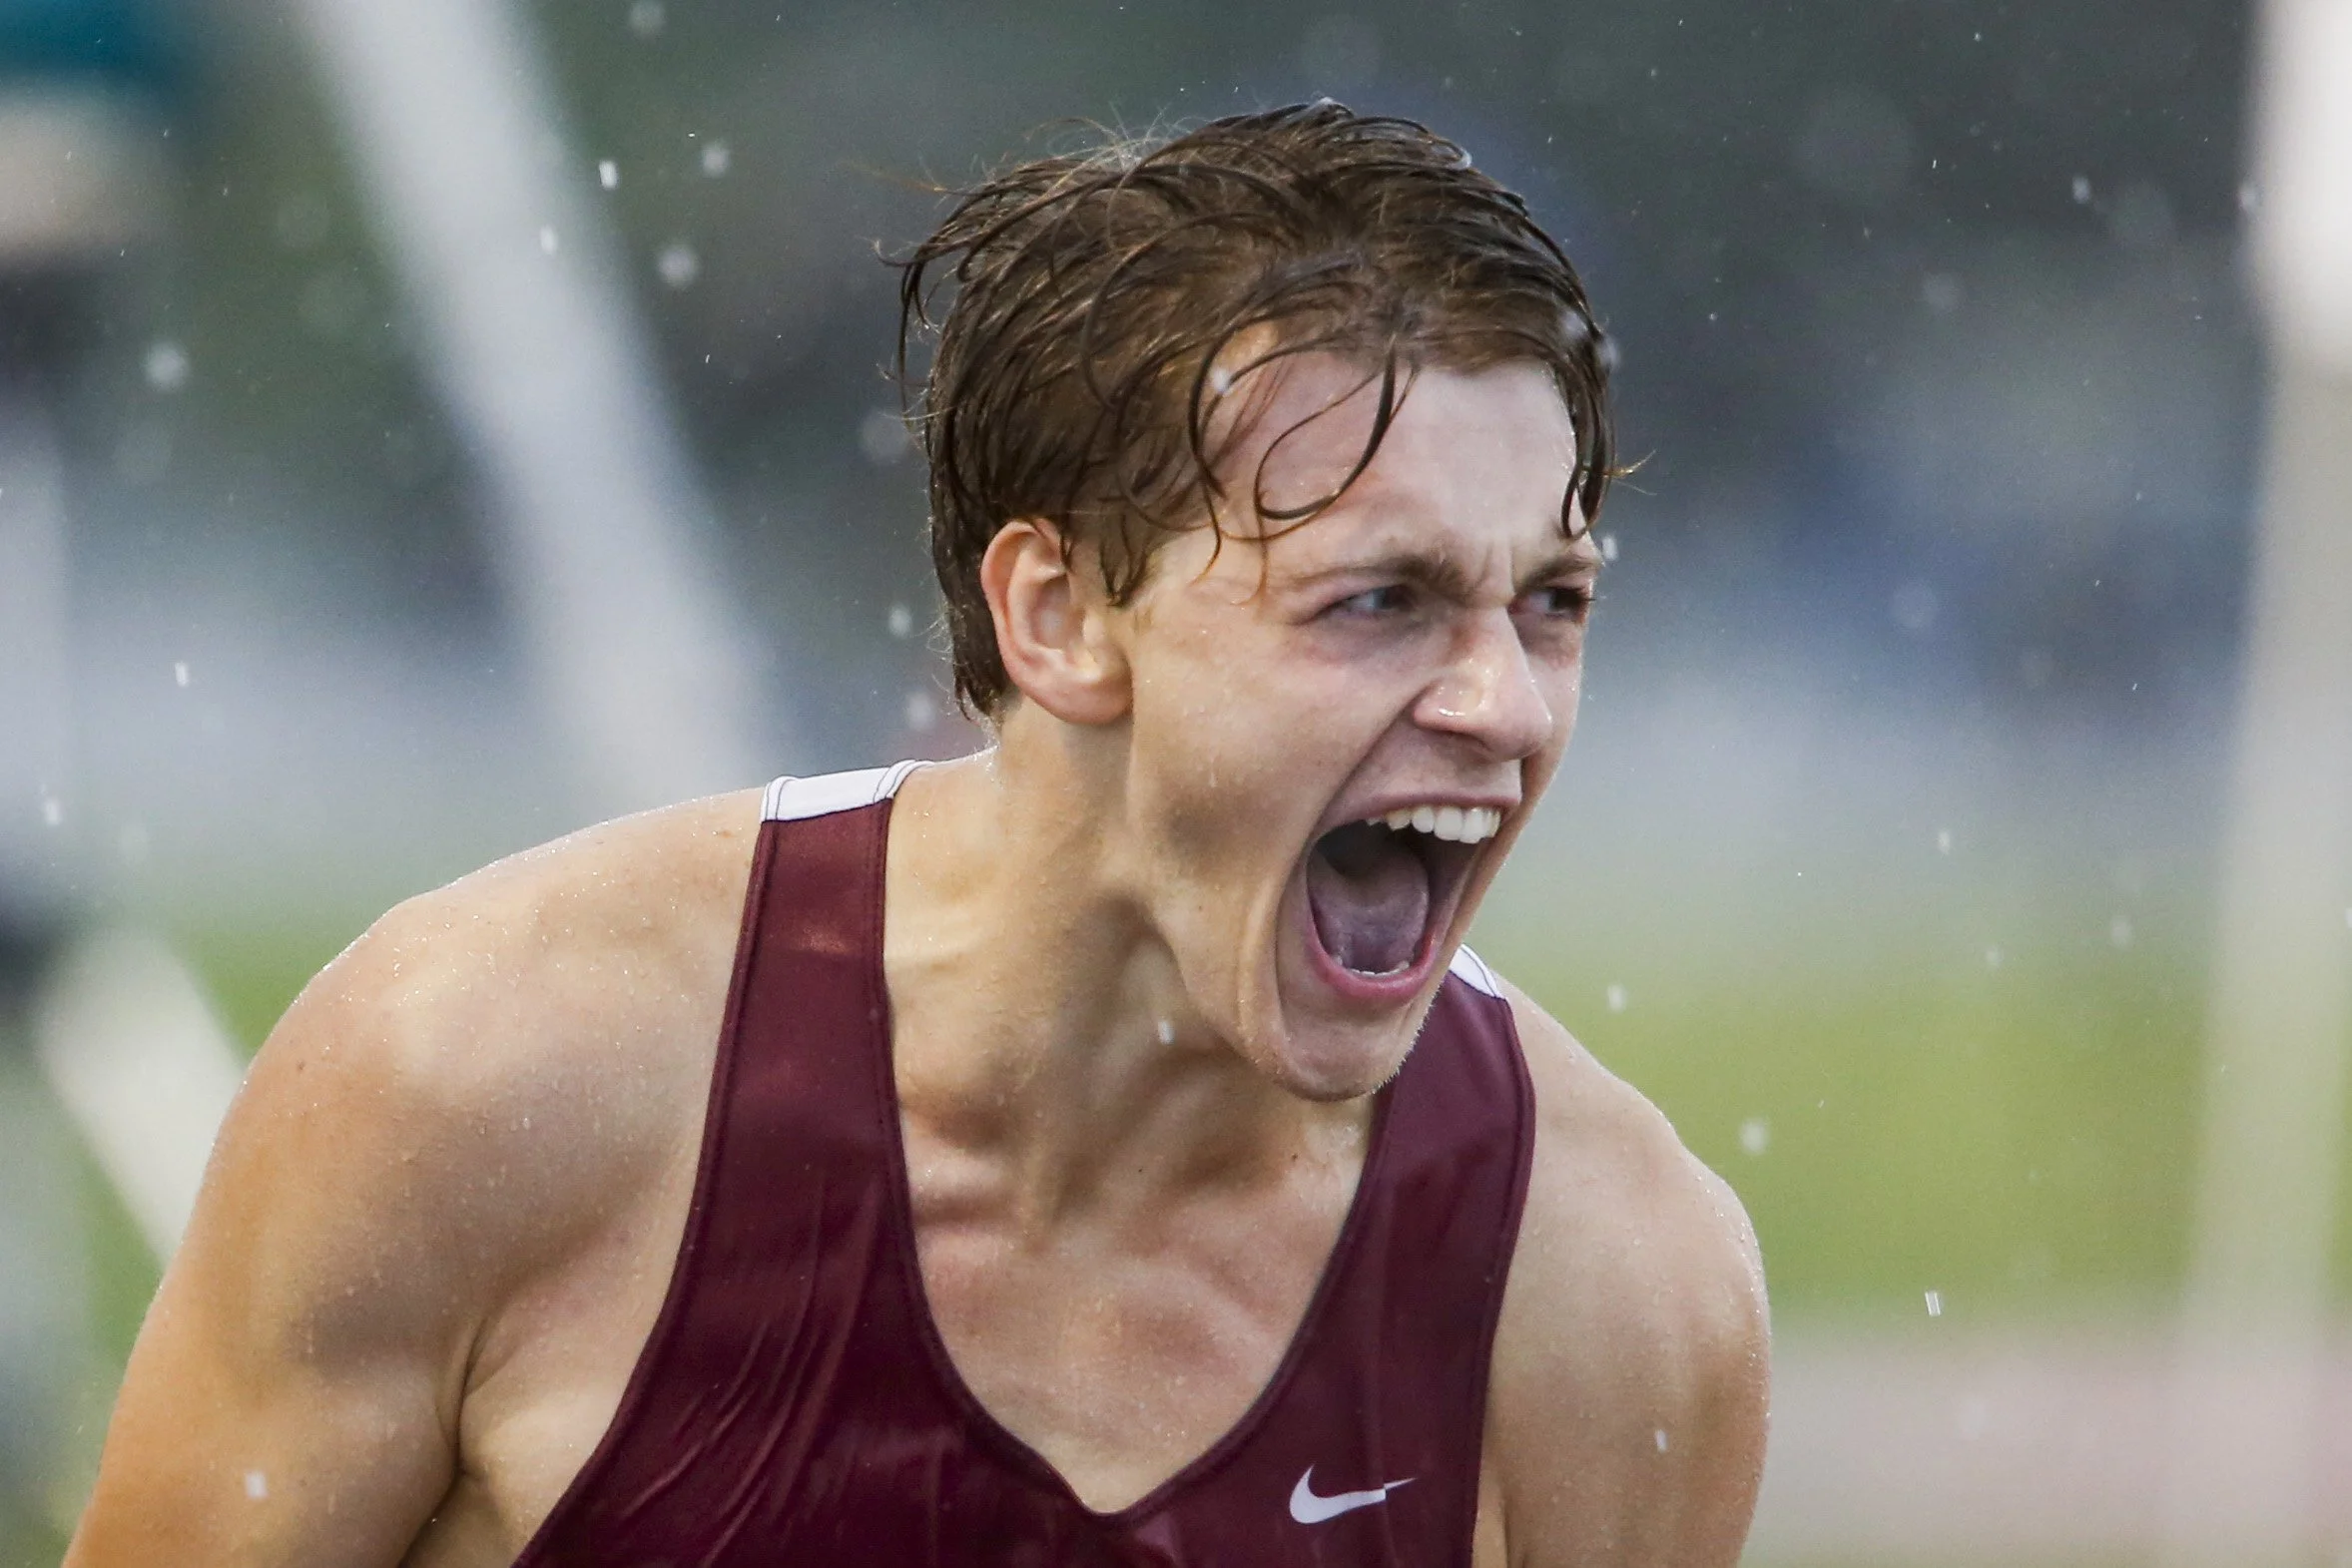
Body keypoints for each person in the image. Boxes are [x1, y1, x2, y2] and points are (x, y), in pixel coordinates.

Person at [65, 103, 1767, 1566]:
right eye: (1377, 599)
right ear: (1058, 614)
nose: (1505, 702)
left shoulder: (1610, 1289)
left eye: (1550, 604)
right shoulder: (491, 1074)